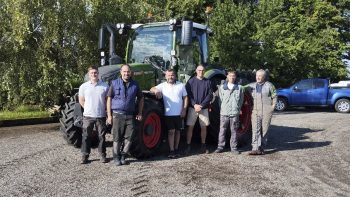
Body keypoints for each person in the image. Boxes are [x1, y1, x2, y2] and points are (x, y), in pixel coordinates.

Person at [107, 64, 144, 166]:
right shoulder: (114, 83)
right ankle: (116, 157)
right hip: (117, 115)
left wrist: (140, 113)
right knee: (117, 137)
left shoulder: (135, 84)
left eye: (128, 72)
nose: (126, 73)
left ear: (131, 73)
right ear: (121, 72)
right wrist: (109, 116)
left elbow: (141, 98)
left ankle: (123, 155)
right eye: (124, 71)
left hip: (130, 115)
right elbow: (109, 99)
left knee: (130, 137)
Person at [150, 69, 188, 158]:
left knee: (178, 132)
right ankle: (171, 150)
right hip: (168, 113)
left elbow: (185, 98)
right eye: (169, 75)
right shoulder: (162, 85)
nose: (170, 77)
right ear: (166, 76)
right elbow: (151, 88)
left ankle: (176, 149)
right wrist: (156, 90)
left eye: (172, 75)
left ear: (175, 76)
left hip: (179, 113)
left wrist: (184, 110)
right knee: (171, 132)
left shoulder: (181, 85)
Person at [78, 66, 109, 164]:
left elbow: (107, 100)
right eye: (91, 73)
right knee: (86, 136)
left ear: (98, 73)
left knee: (102, 136)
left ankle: (102, 155)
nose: (94, 74)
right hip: (88, 116)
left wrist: (106, 112)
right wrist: (88, 109)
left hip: (101, 115)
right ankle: (85, 155)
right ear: (88, 74)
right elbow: (81, 100)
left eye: (95, 72)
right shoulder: (83, 86)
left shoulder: (105, 86)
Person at [247, 69, 277, 155]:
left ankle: (262, 148)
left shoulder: (270, 86)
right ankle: (255, 148)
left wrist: (272, 107)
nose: (258, 77)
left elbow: (275, 96)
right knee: (255, 129)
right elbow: (241, 89)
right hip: (256, 111)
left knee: (265, 130)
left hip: (266, 111)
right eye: (257, 76)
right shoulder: (251, 86)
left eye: (260, 76)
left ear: (264, 77)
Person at [185, 64, 213, 154]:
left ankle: (203, 146)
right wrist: (194, 105)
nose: (201, 72)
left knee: (203, 127)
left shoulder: (208, 82)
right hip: (193, 108)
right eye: (199, 70)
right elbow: (188, 95)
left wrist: (201, 105)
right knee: (190, 127)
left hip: (203, 108)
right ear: (196, 71)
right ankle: (188, 146)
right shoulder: (191, 82)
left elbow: (210, 95)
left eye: (202, 70)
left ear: (204, 71)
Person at [214, 70, 244, 155]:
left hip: (234, 113)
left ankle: (234, 148)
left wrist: (238, 109)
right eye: (230, 75)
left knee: (234, 130)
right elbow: (220, 100)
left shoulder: (239, 88)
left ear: (235, 77)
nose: (232, 77)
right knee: (222, 130)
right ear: (227, 76)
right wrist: (223, 109)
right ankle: (220, 146)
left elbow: (241, 100)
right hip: (224, 113)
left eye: (233, 76)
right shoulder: (222, 87)